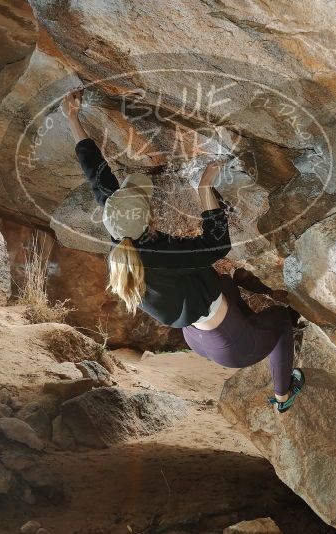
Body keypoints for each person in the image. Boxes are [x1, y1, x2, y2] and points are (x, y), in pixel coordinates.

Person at [61, 89, 304, 412]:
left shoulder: (121, 236)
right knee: (282, 323)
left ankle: (249, 315)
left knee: (228, 280)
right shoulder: (162, 255)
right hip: (232, 345)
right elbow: (217, 243)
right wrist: (205, 187)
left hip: (196, 334)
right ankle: (283, 397)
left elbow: (97, 177)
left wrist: (74, 119)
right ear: (148, 218)